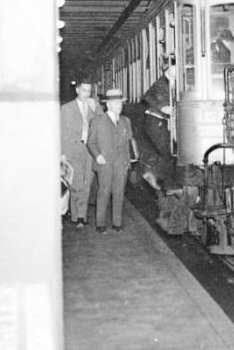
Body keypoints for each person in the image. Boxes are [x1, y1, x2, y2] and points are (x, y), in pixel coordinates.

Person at [87, 88, 139, 234]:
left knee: (119, 192)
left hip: (121, 163)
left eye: (121, 104)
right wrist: (98, 156)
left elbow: (129, 141)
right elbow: (91, 142)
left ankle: (117, 223)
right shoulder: (97, 121)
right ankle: (100, 224)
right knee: (104, 192)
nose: (119, 106)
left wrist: (129, 162)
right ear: (108, 105)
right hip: (105, 163)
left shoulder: (125, 121)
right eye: (116, 104)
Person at [60, 80, 100, 229]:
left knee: (87, 182)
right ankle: (77, 216)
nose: (86, 94)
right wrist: (62, 153)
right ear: (77, 90)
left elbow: (103, 120)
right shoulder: (66, 108)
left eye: (89, 91)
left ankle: (81, 215)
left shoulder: (93, 106)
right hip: (73, 149)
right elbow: (61, 131)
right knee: (76, 183)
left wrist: (95, 108)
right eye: (84, 90)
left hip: (89, 149)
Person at [143, 60, 175, 158]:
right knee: (167, 151)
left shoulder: (173, 82)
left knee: (169, 150)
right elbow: (147, 96)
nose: (177, 71)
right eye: (175, 68)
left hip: (162, 121)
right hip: (155, 120)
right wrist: (162, 107)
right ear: (169, 69)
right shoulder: (161, 82)